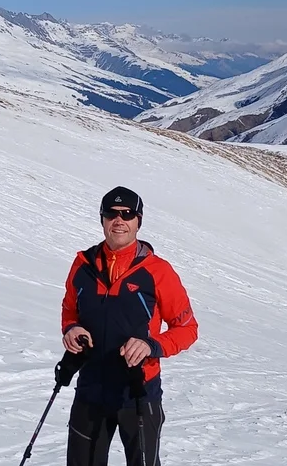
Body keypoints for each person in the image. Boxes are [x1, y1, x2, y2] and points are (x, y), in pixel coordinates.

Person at [60, 186, 198, 466]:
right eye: (111, 213)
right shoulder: (82, 265)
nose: (119, 220)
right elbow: (69, 311)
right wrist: (71, 329)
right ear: (102, 219)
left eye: (128, 214)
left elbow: (187, 329)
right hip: (91, 388)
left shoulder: (157, 271)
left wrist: (151, 345)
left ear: (138, 221)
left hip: (138, 390)